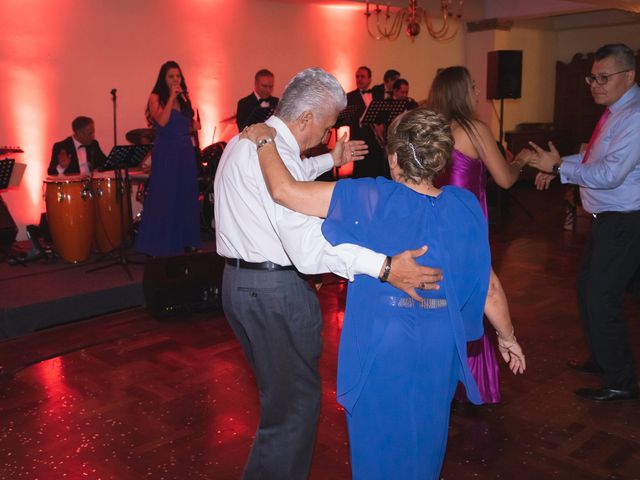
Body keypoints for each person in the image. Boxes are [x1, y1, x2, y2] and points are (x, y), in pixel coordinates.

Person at [242, 107, 525, 480]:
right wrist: (508, 338)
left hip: (381, 347)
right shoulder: (464, 205)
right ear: (440, 159)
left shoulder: (370, 197)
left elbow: (283, 191)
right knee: (426, 444)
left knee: (379, 451)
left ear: (394, 157)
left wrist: (264, 139)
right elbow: (488, 288)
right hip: (438, 347)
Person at [214, 68, 444, 480]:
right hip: (273, 293)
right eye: (324, 128)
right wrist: (385, 266)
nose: (324, 136)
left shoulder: (247, 141)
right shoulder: (276, 154)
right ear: (304, 119)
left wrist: (327, 159)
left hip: (239, 285)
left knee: (279, 407)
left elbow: (285, 180)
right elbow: (308, 250)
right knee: (294, 412)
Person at [528, 43, 640, 402]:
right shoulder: (615, 111)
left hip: (625, 221)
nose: (595, 84)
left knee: (601, 296)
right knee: (587, 288)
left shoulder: (635, 116)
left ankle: (621, 379)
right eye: (593, 77)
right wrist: (560, 167)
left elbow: (609, 174)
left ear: (629, 77)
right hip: (609, 220)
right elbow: (594, 157)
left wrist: (559, 168)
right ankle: (604, 360)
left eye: (603, 78)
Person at [427, 65, 530, 403]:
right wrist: (524, 159)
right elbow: (505, 179)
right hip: (465, 223)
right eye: (472, 86)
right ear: (460, 92)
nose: (476, 92)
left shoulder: (430, 130)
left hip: (431, 223)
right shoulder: (473, 129)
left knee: (440, 300)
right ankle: (472, 383)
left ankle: (440, 382)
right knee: (476, 295)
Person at [134, 60, 201, 257]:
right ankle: (161, 244)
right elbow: (161, 123)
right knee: (166, 195)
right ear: (163, 79)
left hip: (184, 151)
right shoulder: (156, 97)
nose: (175, 79)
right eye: (171, 76)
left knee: (186, 195)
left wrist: (193, 126)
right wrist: (172, 97)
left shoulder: (185, 99)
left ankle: (186, 240)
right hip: (167, 151)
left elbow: (182, 125)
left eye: (178, 76)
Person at [347, 66, 388, 178]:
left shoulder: (377, 95)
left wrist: (381, 126)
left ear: (369, 79)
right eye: (357, 76)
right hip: (359, 141)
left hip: (375, 142)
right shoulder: (349, 97)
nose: (359, 79)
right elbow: (347, 119)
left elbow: (382, 115)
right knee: (360, 173)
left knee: (376, 172)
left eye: (363, 77)